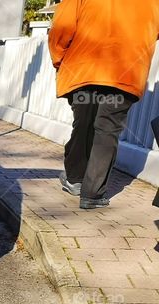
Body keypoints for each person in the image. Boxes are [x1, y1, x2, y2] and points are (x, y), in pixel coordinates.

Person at [49, 0, 159, 210]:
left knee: (83, 124)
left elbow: (62, 27)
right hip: (126, 72)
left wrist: (58, 58)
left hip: (83, 68)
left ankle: (75, 178)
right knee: (107, 130)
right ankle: (92, 193)